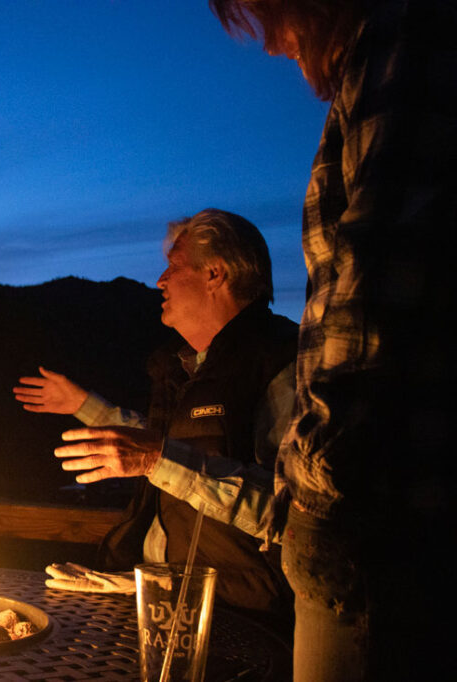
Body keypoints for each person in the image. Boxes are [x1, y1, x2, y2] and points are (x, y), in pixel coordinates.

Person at [208, 1, 457, 679]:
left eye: (265, 16)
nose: (269, 47)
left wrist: (319, 483)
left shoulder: (404, 40)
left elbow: (381, 272)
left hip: (374, 523)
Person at [14, 209, 297, 616]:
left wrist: (156, 459)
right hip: (160, 598)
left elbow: (294, 512)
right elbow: (173, 445)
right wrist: (84, 406)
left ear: (215, 274)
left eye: (173, 266)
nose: (159, 281)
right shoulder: (187, 367)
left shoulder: (283, 363)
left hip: (237, 616)